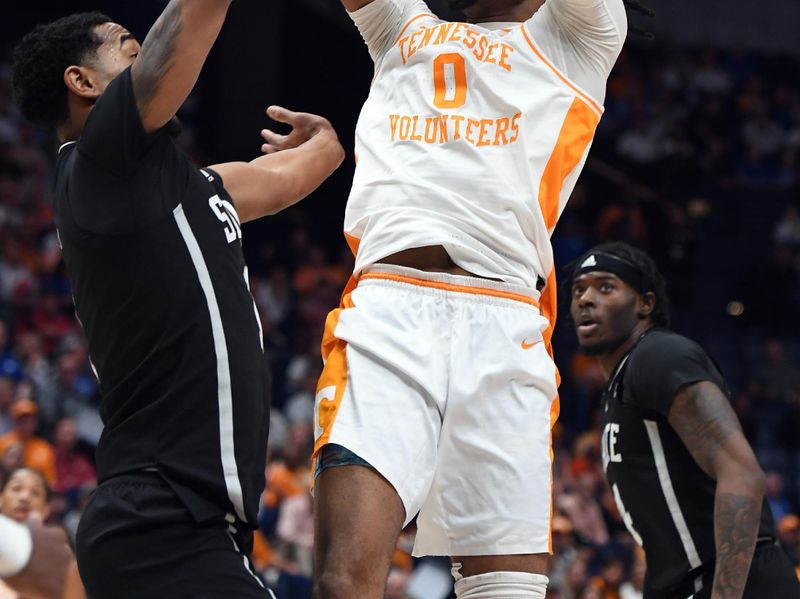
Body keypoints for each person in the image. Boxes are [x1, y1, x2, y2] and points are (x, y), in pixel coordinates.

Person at [313, 0, 650, 597]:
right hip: (390, 311)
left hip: (505, 322)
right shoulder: (400, 25)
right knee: (344, 583)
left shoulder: (580, 34)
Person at [11, 3, 344, 597]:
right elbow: (191, 16)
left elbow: (295, 174)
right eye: (127, 47)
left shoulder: (186, 189)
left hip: (185, 521)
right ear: (82, 83)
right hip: (164, 513)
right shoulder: (98, 167)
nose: (144, 54)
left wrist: (326, 143)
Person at [567, 241, 800, 598]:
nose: (585, 298)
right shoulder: (620, 386)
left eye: (605, 286)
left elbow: (742, 475)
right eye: (579, 289)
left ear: (645, 303)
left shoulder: (657, 355)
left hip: (732, 582)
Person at [0, 401, 56, 485]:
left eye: (30, 420)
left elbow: (50, 481)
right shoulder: (3, 442)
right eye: (23, 420)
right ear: (15, 421)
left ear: (36, 422)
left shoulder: (44, 448)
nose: (27, 424)